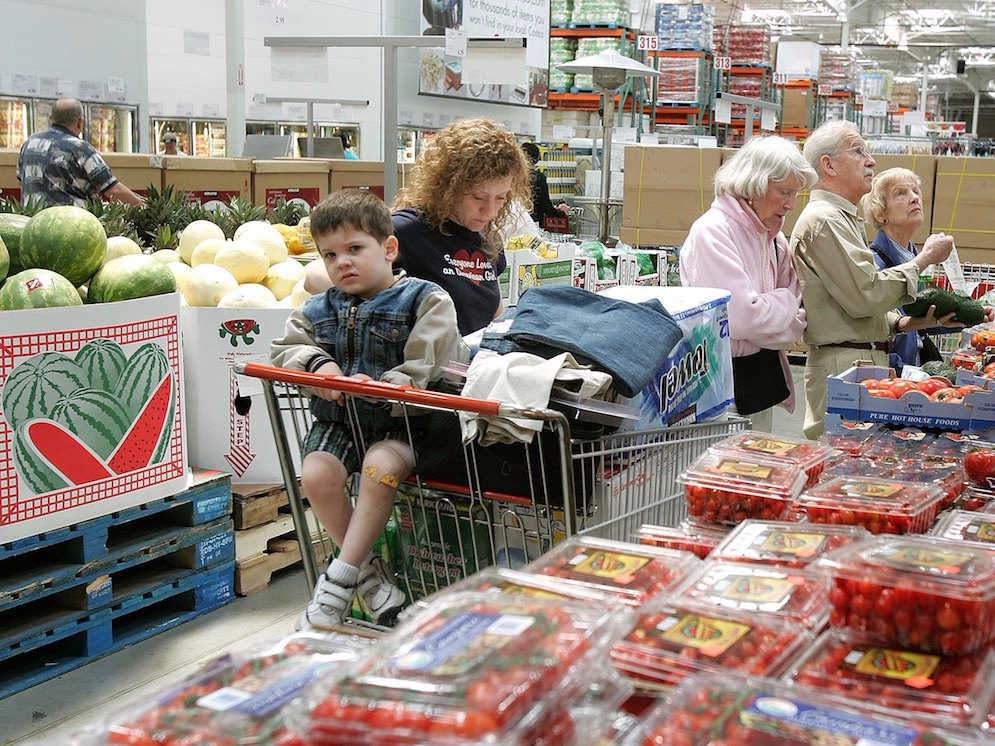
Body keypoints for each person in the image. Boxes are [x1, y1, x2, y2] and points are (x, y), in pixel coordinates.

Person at [270, 189, 470, 630]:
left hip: (406, 425)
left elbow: (427, 359)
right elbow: (286, 348)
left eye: (355, 249)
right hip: (339, 423)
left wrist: (389, 386)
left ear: (390, 248)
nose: (342, 262)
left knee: (380, 467)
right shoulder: (318, 308)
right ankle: (368, 574)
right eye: (330, 255)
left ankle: (339, 582)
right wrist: (319, 367)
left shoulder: (426, 300)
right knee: (317, 476)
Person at [790, 121, 957, 439]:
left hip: (858, 358)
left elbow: (856, 299)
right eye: (858, 151)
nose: (871, 160)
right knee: (846, 466)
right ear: (829, 165)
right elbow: (866, 294)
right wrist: (925, 259)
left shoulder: (840, 218)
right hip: (844, 361)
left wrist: (905, 324)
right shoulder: (825, 220)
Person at [305, 118, 532, 336]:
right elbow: (315, 277)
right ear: (447, 186)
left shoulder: (488, 239)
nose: (490, 210)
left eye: (501, 198)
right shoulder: (407, 229)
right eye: (478, 197)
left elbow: (493, 312)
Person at [680, 135, 818, 433]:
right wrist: (777, 310)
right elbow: (741, 318)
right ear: (754, 183)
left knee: (755, 471)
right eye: (785, 191)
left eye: (796, 194)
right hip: (719, 392)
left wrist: (764, 318)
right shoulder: (713, 232)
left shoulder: (775, 238)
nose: (791, 204)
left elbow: (798, 319)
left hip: (759, 386)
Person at [16, 97, 144, 207]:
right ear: (80, 122)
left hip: (32, 222)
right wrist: (142, 207)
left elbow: (21, 179)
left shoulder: (30, 143)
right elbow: (113, 190)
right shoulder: (80, 148)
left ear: (51, 118)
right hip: (71, 224)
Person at [521, 141, 570, 226]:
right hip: (532, 223)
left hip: (516, 222)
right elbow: (546, 208)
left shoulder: (513, 176)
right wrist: (562, 211)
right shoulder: (538, 178)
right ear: (537, 159)